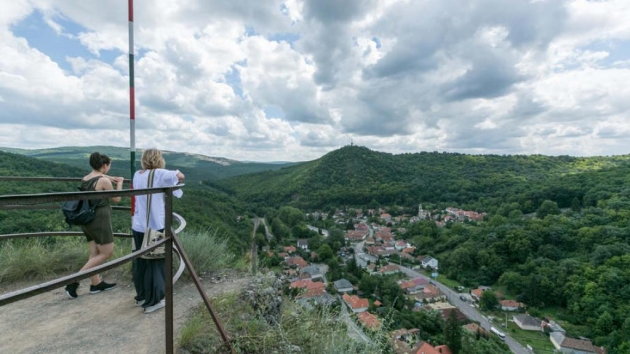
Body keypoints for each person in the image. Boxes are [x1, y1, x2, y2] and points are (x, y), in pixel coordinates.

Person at [131, 149, 185, 313]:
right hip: (155, 224)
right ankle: (153, 300)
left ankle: (141, 296)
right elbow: (180, 176)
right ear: (158, 159)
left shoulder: (137, 174)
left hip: (138, 224)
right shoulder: (160, 173)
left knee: (141, 260)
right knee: (156, 261)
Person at [65, 152, 124, 298]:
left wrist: (109, 177)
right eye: (109, 165)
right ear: (104, 165)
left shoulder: (85, 178)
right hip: (99, 219)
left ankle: (96, 284)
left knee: (95, 253)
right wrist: (120, 182)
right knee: (107, 252)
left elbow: (99, 177)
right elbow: (117, 198)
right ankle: (73, 282)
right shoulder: (104, 181)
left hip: (87, 220)